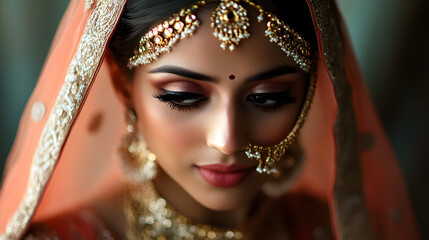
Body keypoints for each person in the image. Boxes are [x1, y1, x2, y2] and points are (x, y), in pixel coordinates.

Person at [0, 0, 420, 239]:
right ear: (122, 83)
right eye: (184, 97)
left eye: (269, 98)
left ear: (315, 88)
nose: (227, 140)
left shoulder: (336, 230)